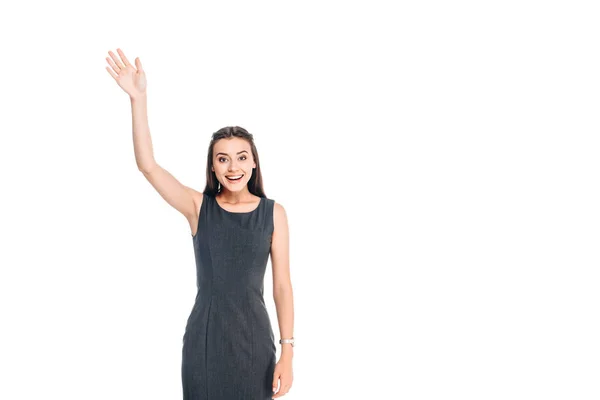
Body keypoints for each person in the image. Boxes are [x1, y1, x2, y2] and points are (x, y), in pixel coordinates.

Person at [105, 48, 295, 399]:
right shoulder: (198, 208)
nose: (232, 167)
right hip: (204, 344)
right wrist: (138, 99)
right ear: (213, 167)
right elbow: (148, 165)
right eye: (223, 159)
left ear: (254, 163)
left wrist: (288, 351)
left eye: (241, 157)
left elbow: (281, 286)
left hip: (255, 344)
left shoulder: (273, 213)